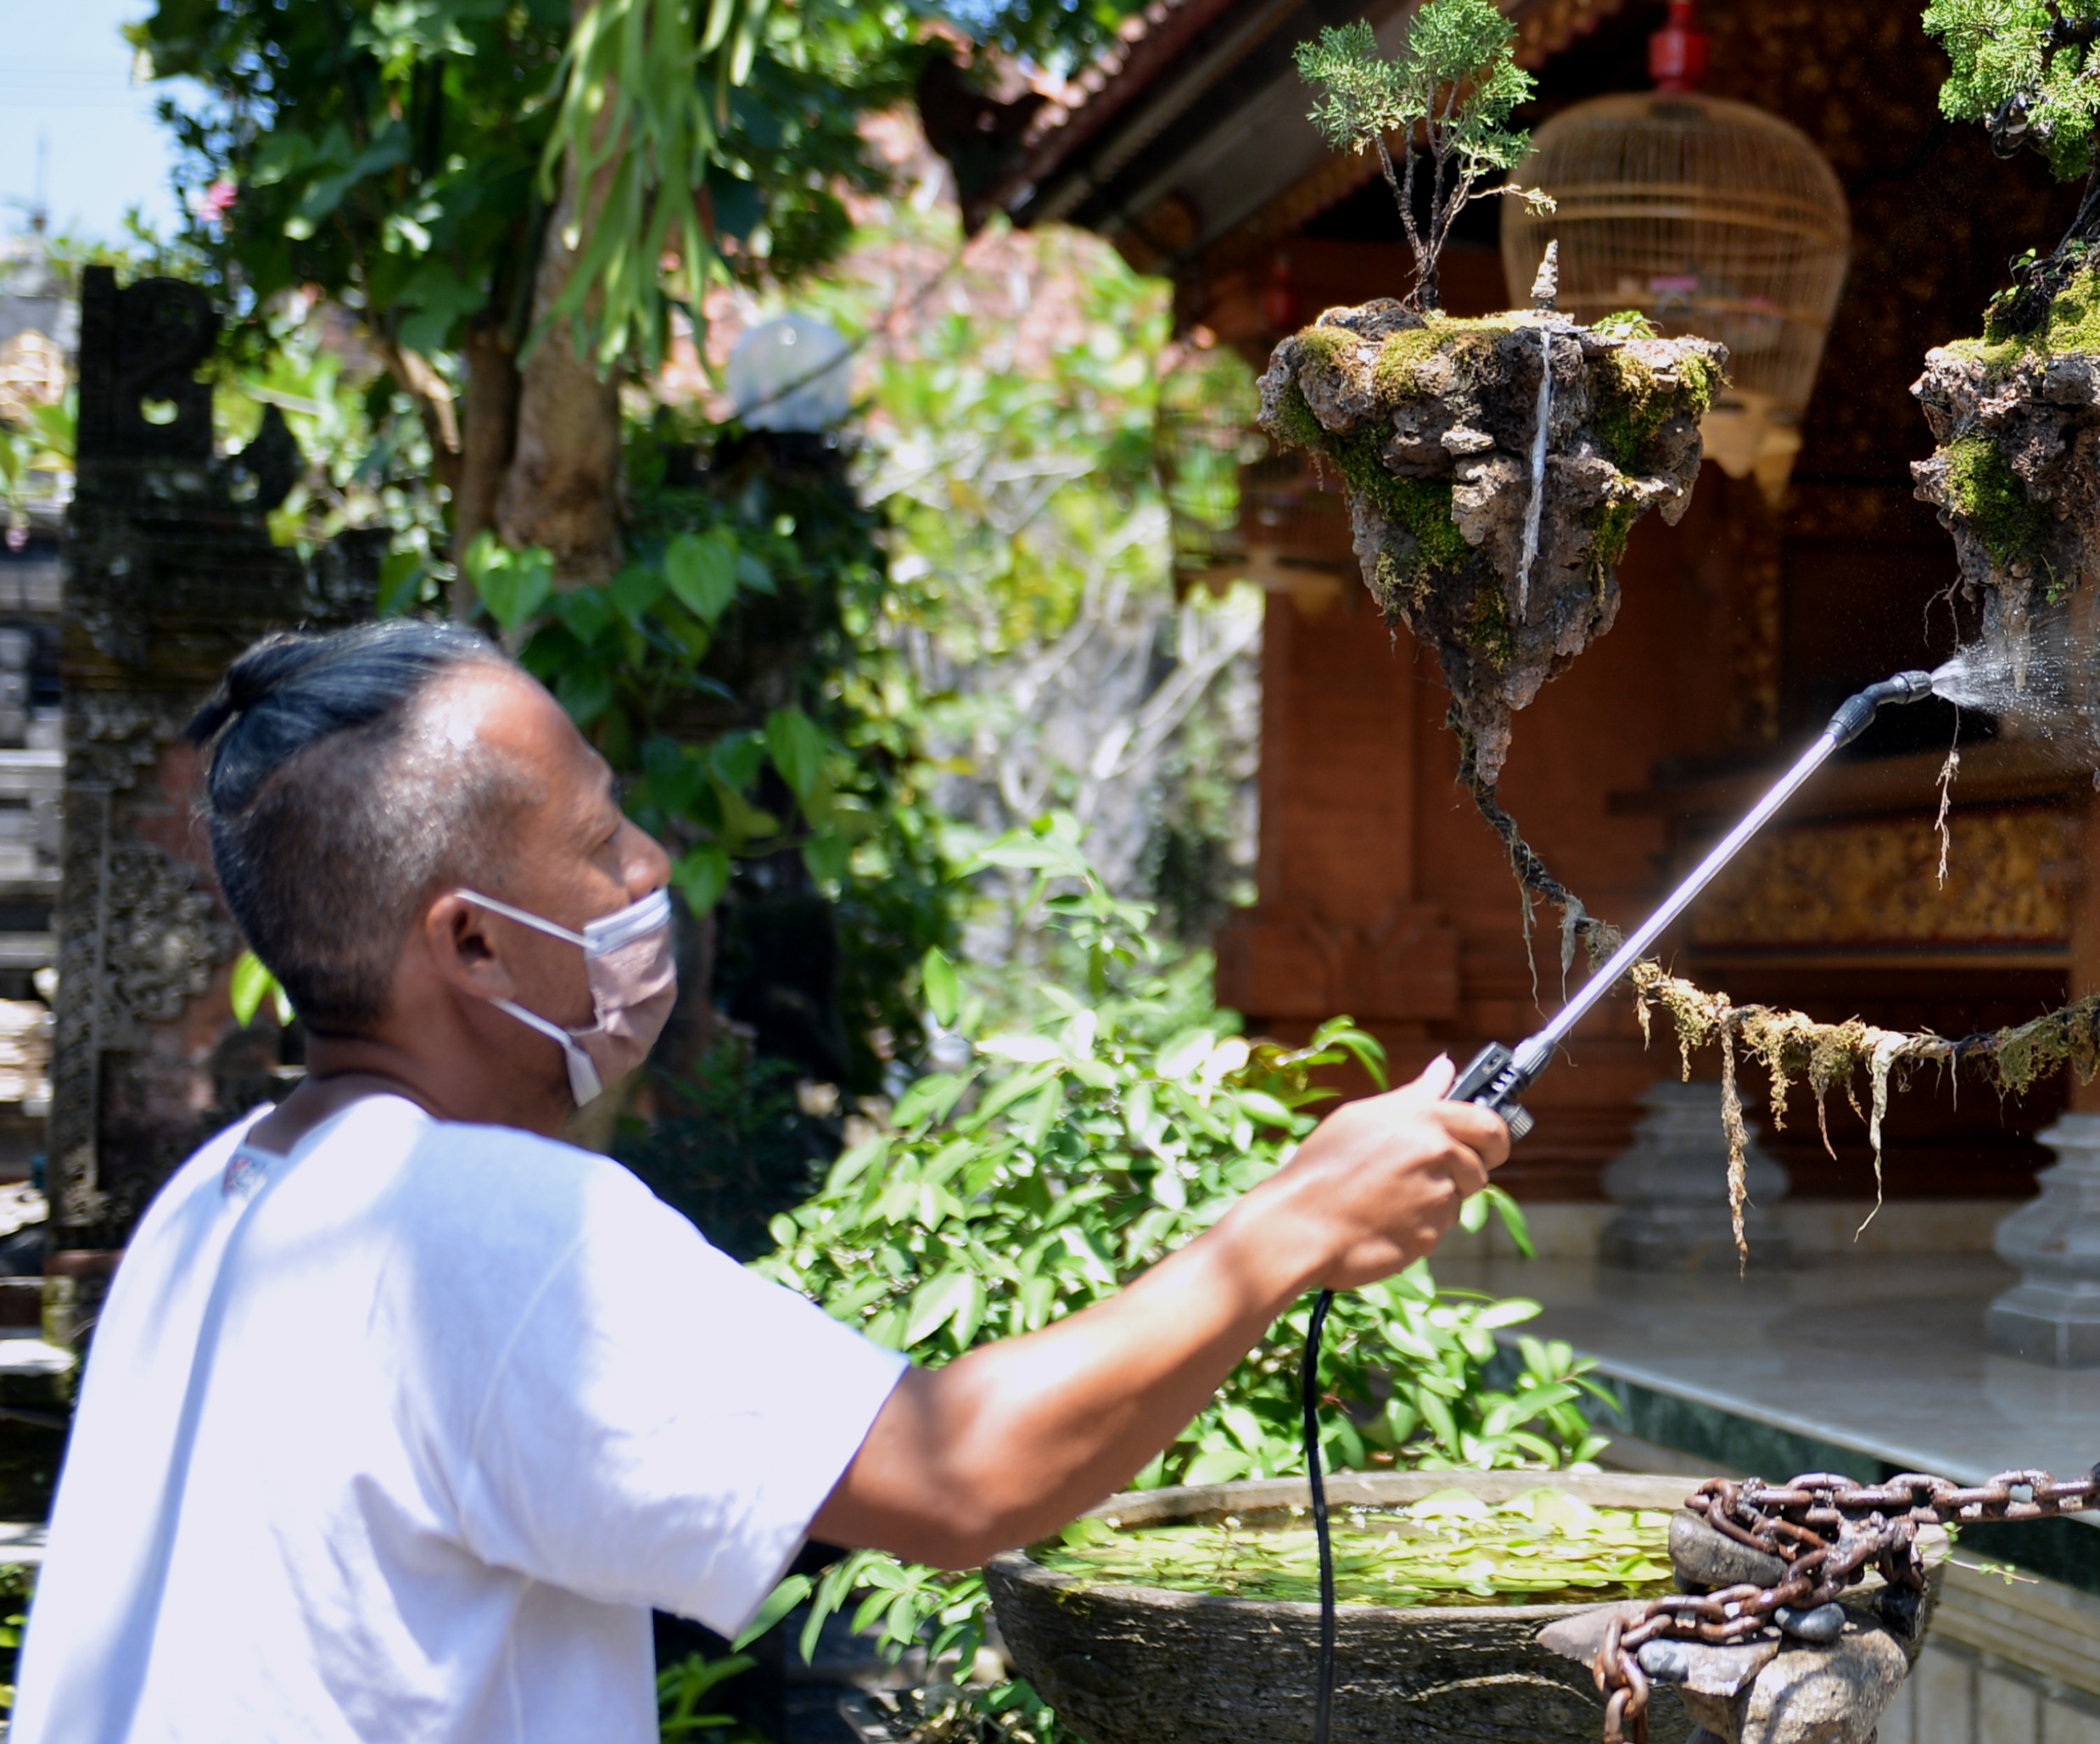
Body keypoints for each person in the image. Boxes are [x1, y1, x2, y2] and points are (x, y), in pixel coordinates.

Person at [11, 621, 1512, 1741]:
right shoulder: (478, 1226)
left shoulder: (221, 1197)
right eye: (599, 842)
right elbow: (959, 1474)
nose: (653, 864)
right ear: (469, 943)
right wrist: (1291, 1219)